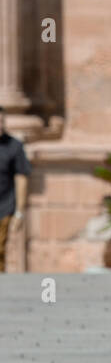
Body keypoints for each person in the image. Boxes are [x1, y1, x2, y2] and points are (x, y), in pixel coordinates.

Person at [0, 107, 31, 273]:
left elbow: (21, 178)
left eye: (2, 121)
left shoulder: (14, 146)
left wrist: (19, 211)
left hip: (4, 206)